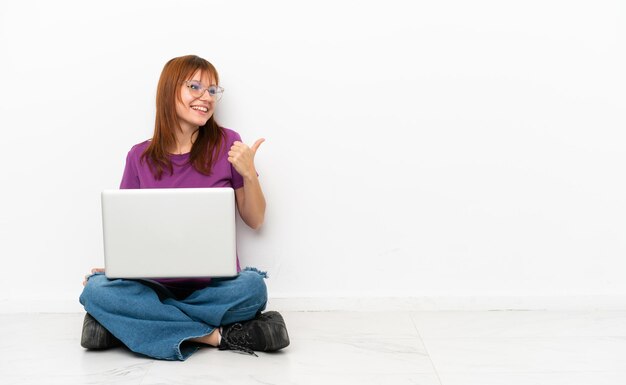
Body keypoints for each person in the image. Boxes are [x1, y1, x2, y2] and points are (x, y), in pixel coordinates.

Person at [79, 55, 289, 361]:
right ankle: (215, 336)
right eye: (195, 87)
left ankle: (122, 326)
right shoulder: (139, 157)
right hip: (151, 286)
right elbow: (127, 230)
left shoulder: (229, 144)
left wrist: (248, 173)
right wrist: (116, 268)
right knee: (95, 290)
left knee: (253, 287)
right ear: (169, 91)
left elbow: (255, 220)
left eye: (212, 90)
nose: (206, 97)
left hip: (213, 287)